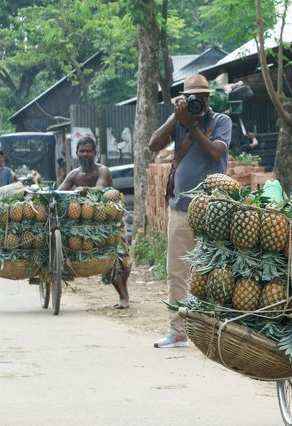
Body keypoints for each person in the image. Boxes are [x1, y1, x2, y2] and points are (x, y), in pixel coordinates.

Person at [147, 74, 231, 349]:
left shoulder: (220, 121)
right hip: (181, 210)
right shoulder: (179, 122)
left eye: (202, 97)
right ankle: (177, 330)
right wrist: (176, 119)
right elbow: (153, 144)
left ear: (209, 98)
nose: (199, 102)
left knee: (215, 272)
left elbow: (216, 154)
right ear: (185, 98)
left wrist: (193, 128)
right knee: (177, 272)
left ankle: (216, 330)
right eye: (193, 98)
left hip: (212, 212)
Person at [57, 136, 130, 309]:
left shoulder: (102, 171)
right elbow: (59, 192)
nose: (85, 154)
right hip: (84, 222)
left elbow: (101, 187)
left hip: (109, 220)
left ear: (95, 153)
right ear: (76, 153)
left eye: (89, 151)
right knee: (105, 258)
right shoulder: (73, 174)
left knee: (123, 261)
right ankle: (124, 296)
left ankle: (123, 294)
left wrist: (85, 189)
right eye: (82, 151)